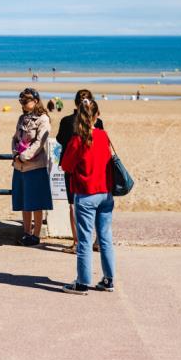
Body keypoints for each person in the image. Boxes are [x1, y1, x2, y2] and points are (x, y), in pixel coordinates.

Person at [60, 98, 115, 294]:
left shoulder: (77, 140)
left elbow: (66, 166)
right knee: (105, 238)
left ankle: (82, 282)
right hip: (105, 192)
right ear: (97, 115)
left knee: (84, 240)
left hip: (85, 193)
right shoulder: (103, 135)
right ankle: (109, 279)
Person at [56, 90, 104, 254]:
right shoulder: (98, 123)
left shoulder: (67, 121)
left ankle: (77, 242)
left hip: (74, 169)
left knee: (73, 205)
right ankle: (98, 240)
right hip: (96, 169)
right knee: (98, 204)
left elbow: (60, 140)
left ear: (76, 103)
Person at [11, 88, 53, 246]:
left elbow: (40, 142)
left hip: (35, 166)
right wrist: (15, 153)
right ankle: (26, 232)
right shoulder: (22, 118)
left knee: (35, 202)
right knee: (24, 201)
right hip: (19, 166)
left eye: (26, 100)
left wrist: (23, 156)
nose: (23, 103)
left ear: (35, 101)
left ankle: (35, 235)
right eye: (21, 100)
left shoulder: (43, 119)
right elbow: (15, 138)